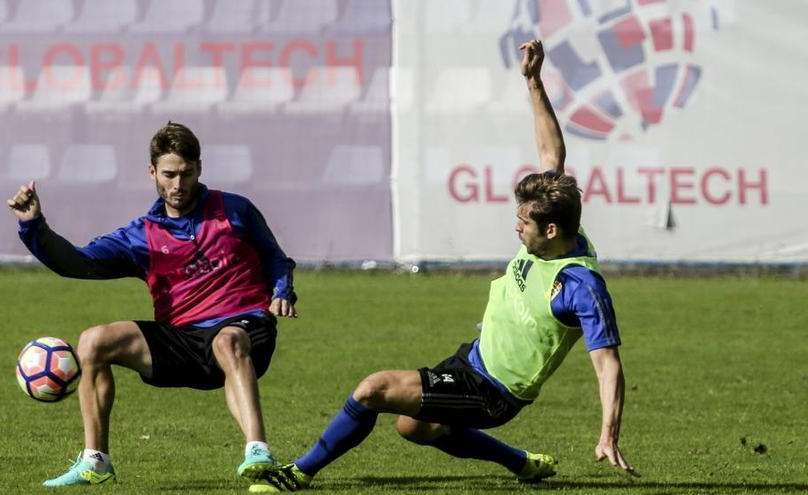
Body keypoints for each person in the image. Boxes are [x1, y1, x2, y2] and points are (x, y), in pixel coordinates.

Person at [255, 39, 636, 493]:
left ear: (551, 230)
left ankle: (297, 474)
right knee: (412, 427)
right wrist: (533, 81)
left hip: (493, 391)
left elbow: (608, 364)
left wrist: (608, 432)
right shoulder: (557, 233)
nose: (516, 228)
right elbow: (552, 154)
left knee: (372, 389)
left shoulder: (581, 287)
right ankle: (523, 464)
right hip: (472, 358)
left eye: (524, 222)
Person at [7, 122, 297, 488]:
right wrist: (34, 226)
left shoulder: (235, 210)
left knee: (227, 341)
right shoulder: (141, 235)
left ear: (199, 169)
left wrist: (282, 290)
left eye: (187, 174)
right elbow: (77, 263)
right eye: (169, 174)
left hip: (246, 327)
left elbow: (275, 258)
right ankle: (95, 461)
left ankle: (258, 452)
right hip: (184, 340)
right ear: (152, 173)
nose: (179, 185)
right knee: (94, 340)